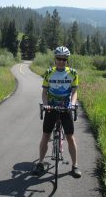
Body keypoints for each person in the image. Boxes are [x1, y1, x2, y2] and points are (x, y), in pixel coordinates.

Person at [33, 46, 81, 178]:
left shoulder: (73, 73)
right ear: (55, 59)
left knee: (70, 137)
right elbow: (44, 92)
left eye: (64, 59)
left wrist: (72, 104)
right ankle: (41, 163)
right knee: (46, 135)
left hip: (66, 108)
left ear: (67, 60)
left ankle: (75, 165)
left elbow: (74, 91)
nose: (61, 61)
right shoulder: (49, 72)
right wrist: (46, 104)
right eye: (59, 58)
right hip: (51, 108)